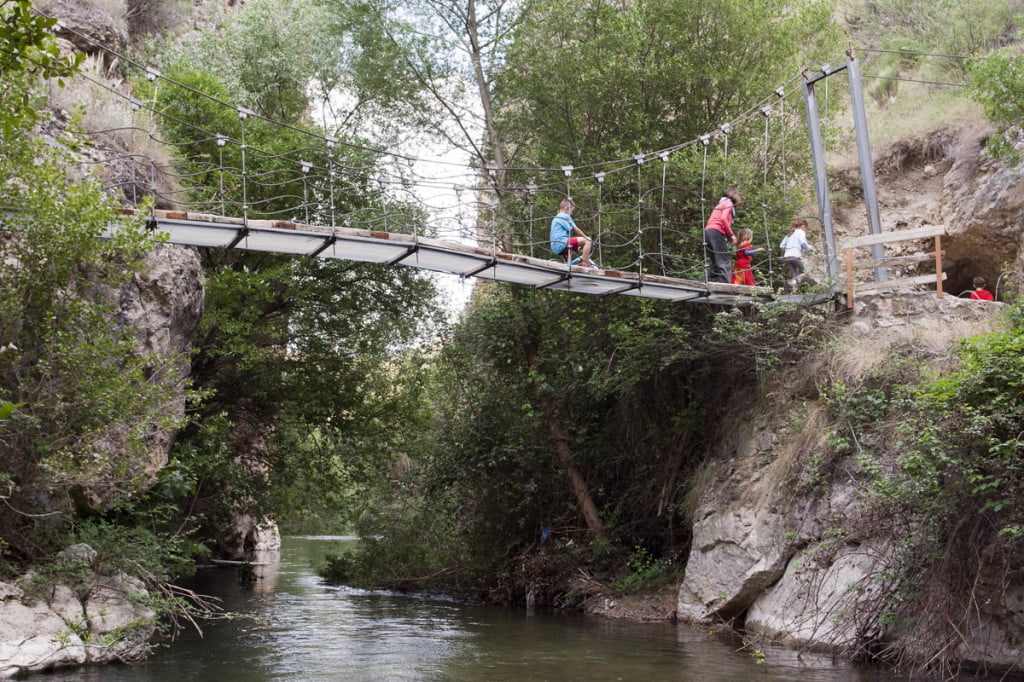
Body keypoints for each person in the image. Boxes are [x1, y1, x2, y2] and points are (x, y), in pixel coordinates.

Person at [703, 189, 742, 283]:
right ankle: (727, 286)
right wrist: (732, 235)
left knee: (716, 263)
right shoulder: (729, 203)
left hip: (708, 232)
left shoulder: (720, 204)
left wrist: (729, 237)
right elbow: (723, 219)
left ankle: (706, 283)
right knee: (724, 261)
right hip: (716, 231)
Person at [549, 198, 596, 268]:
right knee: (587, 241)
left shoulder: (556, 217)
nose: (572, 213)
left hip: (555, 246)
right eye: (571, 211)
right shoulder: (564, 216)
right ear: (567, 208)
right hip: (562, 242)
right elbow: (576, 230)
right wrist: (586, 238)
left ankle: (572, 263)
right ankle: (585, 265)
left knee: (570, 262)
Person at [779, 218, 813, 288]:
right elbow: (803, 242)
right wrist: (809, 248)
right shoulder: (800, 232)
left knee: (793, 275)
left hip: (787, 256)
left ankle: (793, 288)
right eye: (806, 228)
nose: (805, 230)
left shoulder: (790, 234)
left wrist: (789, 249)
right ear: (803, 226)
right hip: (795, 255)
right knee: (806, 272)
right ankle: (794, 282)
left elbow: (781, 246)